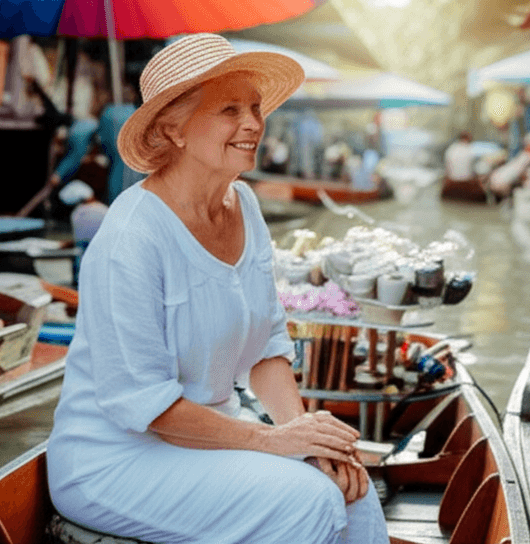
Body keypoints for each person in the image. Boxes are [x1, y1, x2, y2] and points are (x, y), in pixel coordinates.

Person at [46, 34, 389, 544]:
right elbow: (149, 407)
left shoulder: (245, 205)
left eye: (254, 107)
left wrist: (307, 440)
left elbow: (268, 349)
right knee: (309, 502)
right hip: (116, 458)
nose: (253, 123)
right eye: (230, 109)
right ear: (174, 130)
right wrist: (274, 440)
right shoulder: (131, 237)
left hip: (211, 437)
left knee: (353, 490)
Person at [58, 179, 108, 285]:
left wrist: (66, 244)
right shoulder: (106, 210)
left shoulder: (78, 214)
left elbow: (80, 242)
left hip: (83, 274)